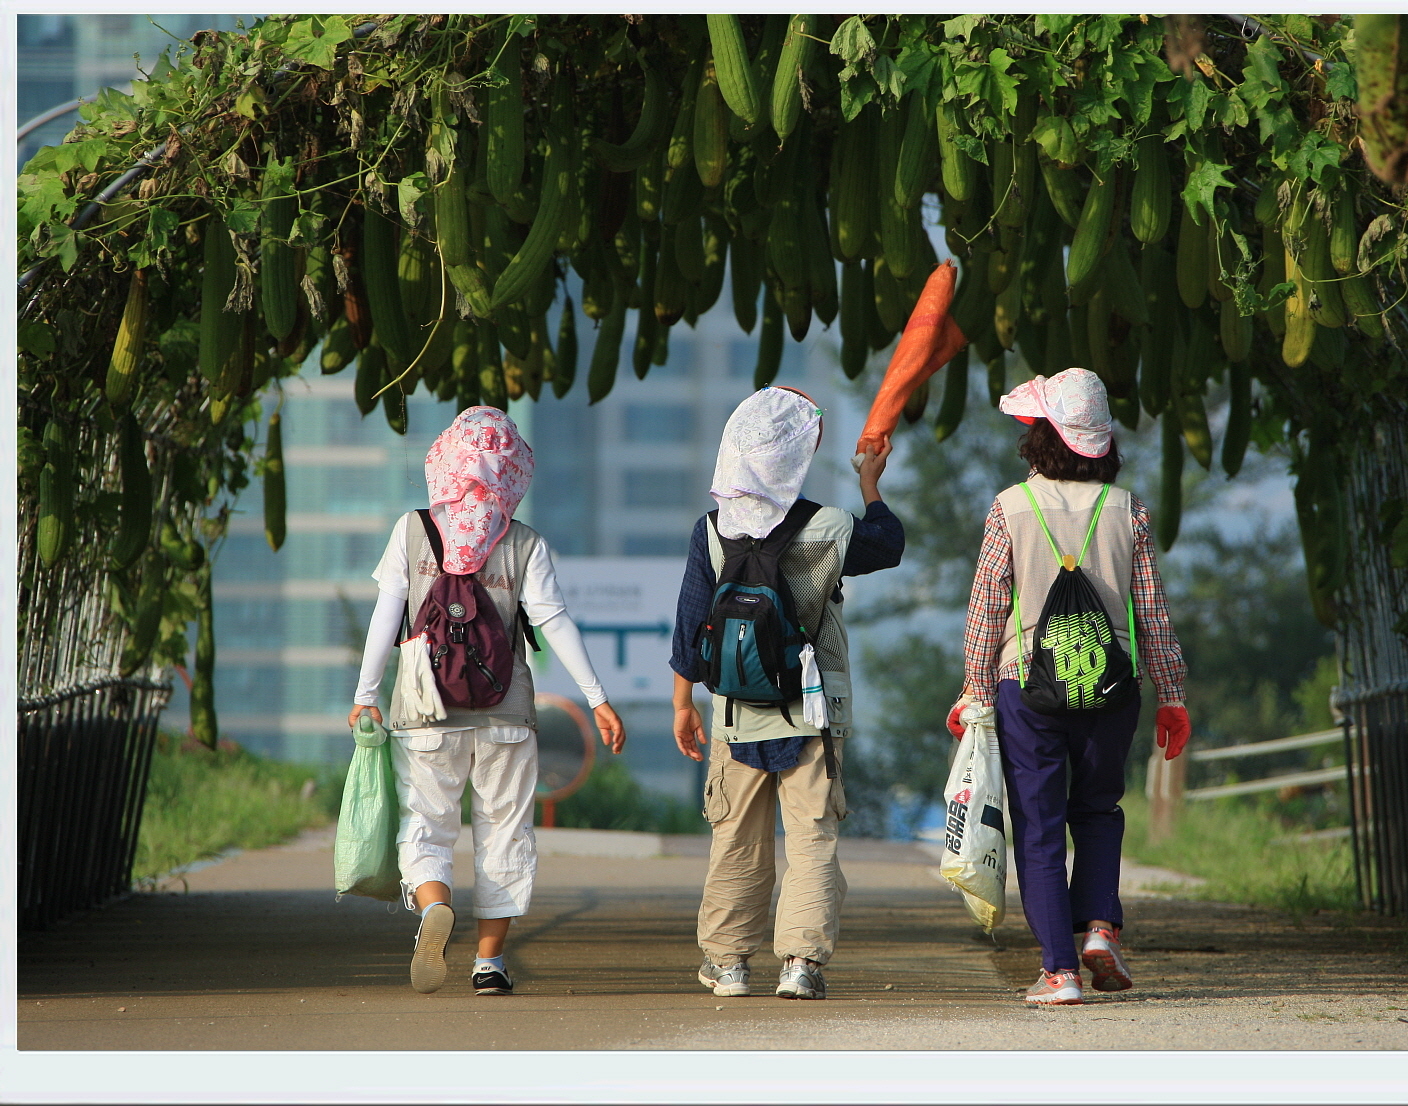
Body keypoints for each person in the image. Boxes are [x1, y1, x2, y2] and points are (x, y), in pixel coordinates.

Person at [348, 406, 625, 997]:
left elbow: (385, 618)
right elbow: (554, 622)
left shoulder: (411, 531)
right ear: (512, 470)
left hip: (424, 707)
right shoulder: (524, 543)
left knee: (425, 823)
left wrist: (365, 695)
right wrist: (598, 699)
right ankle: (490, 962)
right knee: (504, 831)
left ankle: (434, 907)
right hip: (506, 711)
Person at [950, 368, 1190, 1006]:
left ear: (1041, 437)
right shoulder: (1128, 509)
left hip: (1026, 689)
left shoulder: (1009, 507)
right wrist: (1172, 696)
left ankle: (1059, 971)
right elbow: (1152, 614)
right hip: (1112, 688)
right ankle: (1101, 928)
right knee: (1099, 810)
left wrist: (974, 692)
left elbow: (986, 612)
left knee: (1039, 826)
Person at [670, 386, 903, 1000]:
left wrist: (682, 704)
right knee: (812, 836)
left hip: (736, 710)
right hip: (814, 709)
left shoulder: (711, 531)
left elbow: (690, 626)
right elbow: (889, 544)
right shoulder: (828, 527)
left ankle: (729, 964)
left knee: (734, 837)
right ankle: (802, 963)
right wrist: (870, 484)